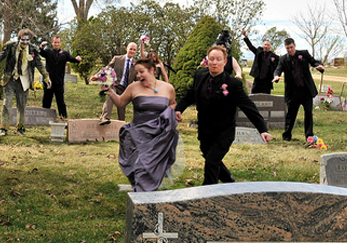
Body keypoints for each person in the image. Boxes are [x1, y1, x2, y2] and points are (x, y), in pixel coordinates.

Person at [176, 45, 271, 185]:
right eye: (212, 59)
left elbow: (249, 107)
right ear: (207, 60)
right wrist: (179, 109)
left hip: (224, 132)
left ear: (225, 62)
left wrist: (262, 129)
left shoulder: (233, 84)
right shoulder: (200, 75)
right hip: (205, 129)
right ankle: (228, 181)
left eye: (218, 59)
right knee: (209, 156)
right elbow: (191, 94)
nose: (214, 62)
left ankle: (208, 192)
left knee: (211, 162)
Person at [101, 58, 179, 191]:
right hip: (139, 133)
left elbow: (172, 103)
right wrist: (110, 92)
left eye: (141, 72)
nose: (138, 76)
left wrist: (173, 113)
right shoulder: (133, 87)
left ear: (152, 70)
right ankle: (142, 192)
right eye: (137, 73)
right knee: (140, 165)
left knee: (152, 166)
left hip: (159, 134)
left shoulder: (168, 88)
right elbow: (120, 103)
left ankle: (145, 192)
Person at [0, 29, 50, 136]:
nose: (24, 42)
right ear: (19, 39)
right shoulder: (11, 46)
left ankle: (20, 129)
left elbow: (39, 65)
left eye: (27, 40)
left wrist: (46, 78)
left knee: (22, 106)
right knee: (7, 103)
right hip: (10, 78)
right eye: (23, 40)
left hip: (24, 80)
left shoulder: (33, 50)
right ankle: (4, 129)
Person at [272, 38, 325, 141]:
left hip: (306, 90)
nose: (290, 50)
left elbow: (313, 62)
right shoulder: (283, 59)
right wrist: (276, 76)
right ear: (285, 48)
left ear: (295, 45)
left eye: (291, 47)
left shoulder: (304, 54)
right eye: (287, 48)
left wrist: (319, 66)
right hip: (293, 92)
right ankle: (287, 135)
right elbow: (278, 69)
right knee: (291, 114)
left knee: (308, 112)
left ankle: (309, 135)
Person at [91, 42, 137, 125]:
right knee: (111, 94)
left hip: (125, 89)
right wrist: (97, 76)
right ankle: (104, 117)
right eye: (131, 49)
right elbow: (107, 68)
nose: (132, 51)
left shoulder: (136, 64)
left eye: (134, 50)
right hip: (114, 85)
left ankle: (120, 124)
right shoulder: (117, 59)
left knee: (121, 108)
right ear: (127, 48)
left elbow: (138, 78)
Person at [39, 35, 81, 120]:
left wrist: (77, 59)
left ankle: (63, 118)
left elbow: (71, 58)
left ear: (60, 43)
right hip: (49, 82)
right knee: (47, 100)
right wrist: (41, 47)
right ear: (52, 43)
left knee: (60, 102)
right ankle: (44, 119)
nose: (56, 44)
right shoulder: (48, 52)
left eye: (58, 42)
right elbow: (40, 52)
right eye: (55, 42)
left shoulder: (64, 54)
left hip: (59, 82)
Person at [241, 30, 278, 94]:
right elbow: (251, 47)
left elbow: (278, 66)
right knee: (254, 96)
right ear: (263, 45)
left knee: (266, 98)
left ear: (270, 47)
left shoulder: (274, 57)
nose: (266, 46)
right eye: (265, 45)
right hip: (258, 79)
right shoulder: (259, 52)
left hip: (267, 81)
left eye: (268, 45)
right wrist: (246, 37)